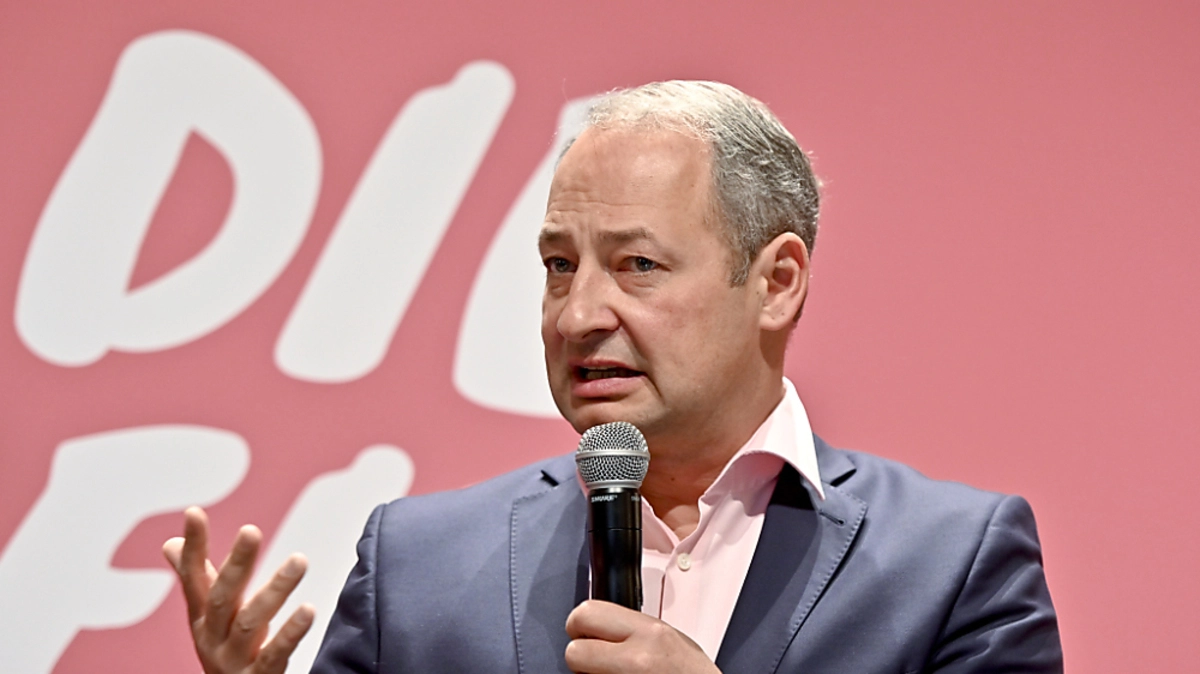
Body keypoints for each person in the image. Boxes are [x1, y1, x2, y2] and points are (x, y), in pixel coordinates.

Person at [164, 80, 1063, 673]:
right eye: (560, 266)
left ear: (777, 282)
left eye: (637, 265)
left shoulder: (950, 564)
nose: (579, 315)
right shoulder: (417, 565)